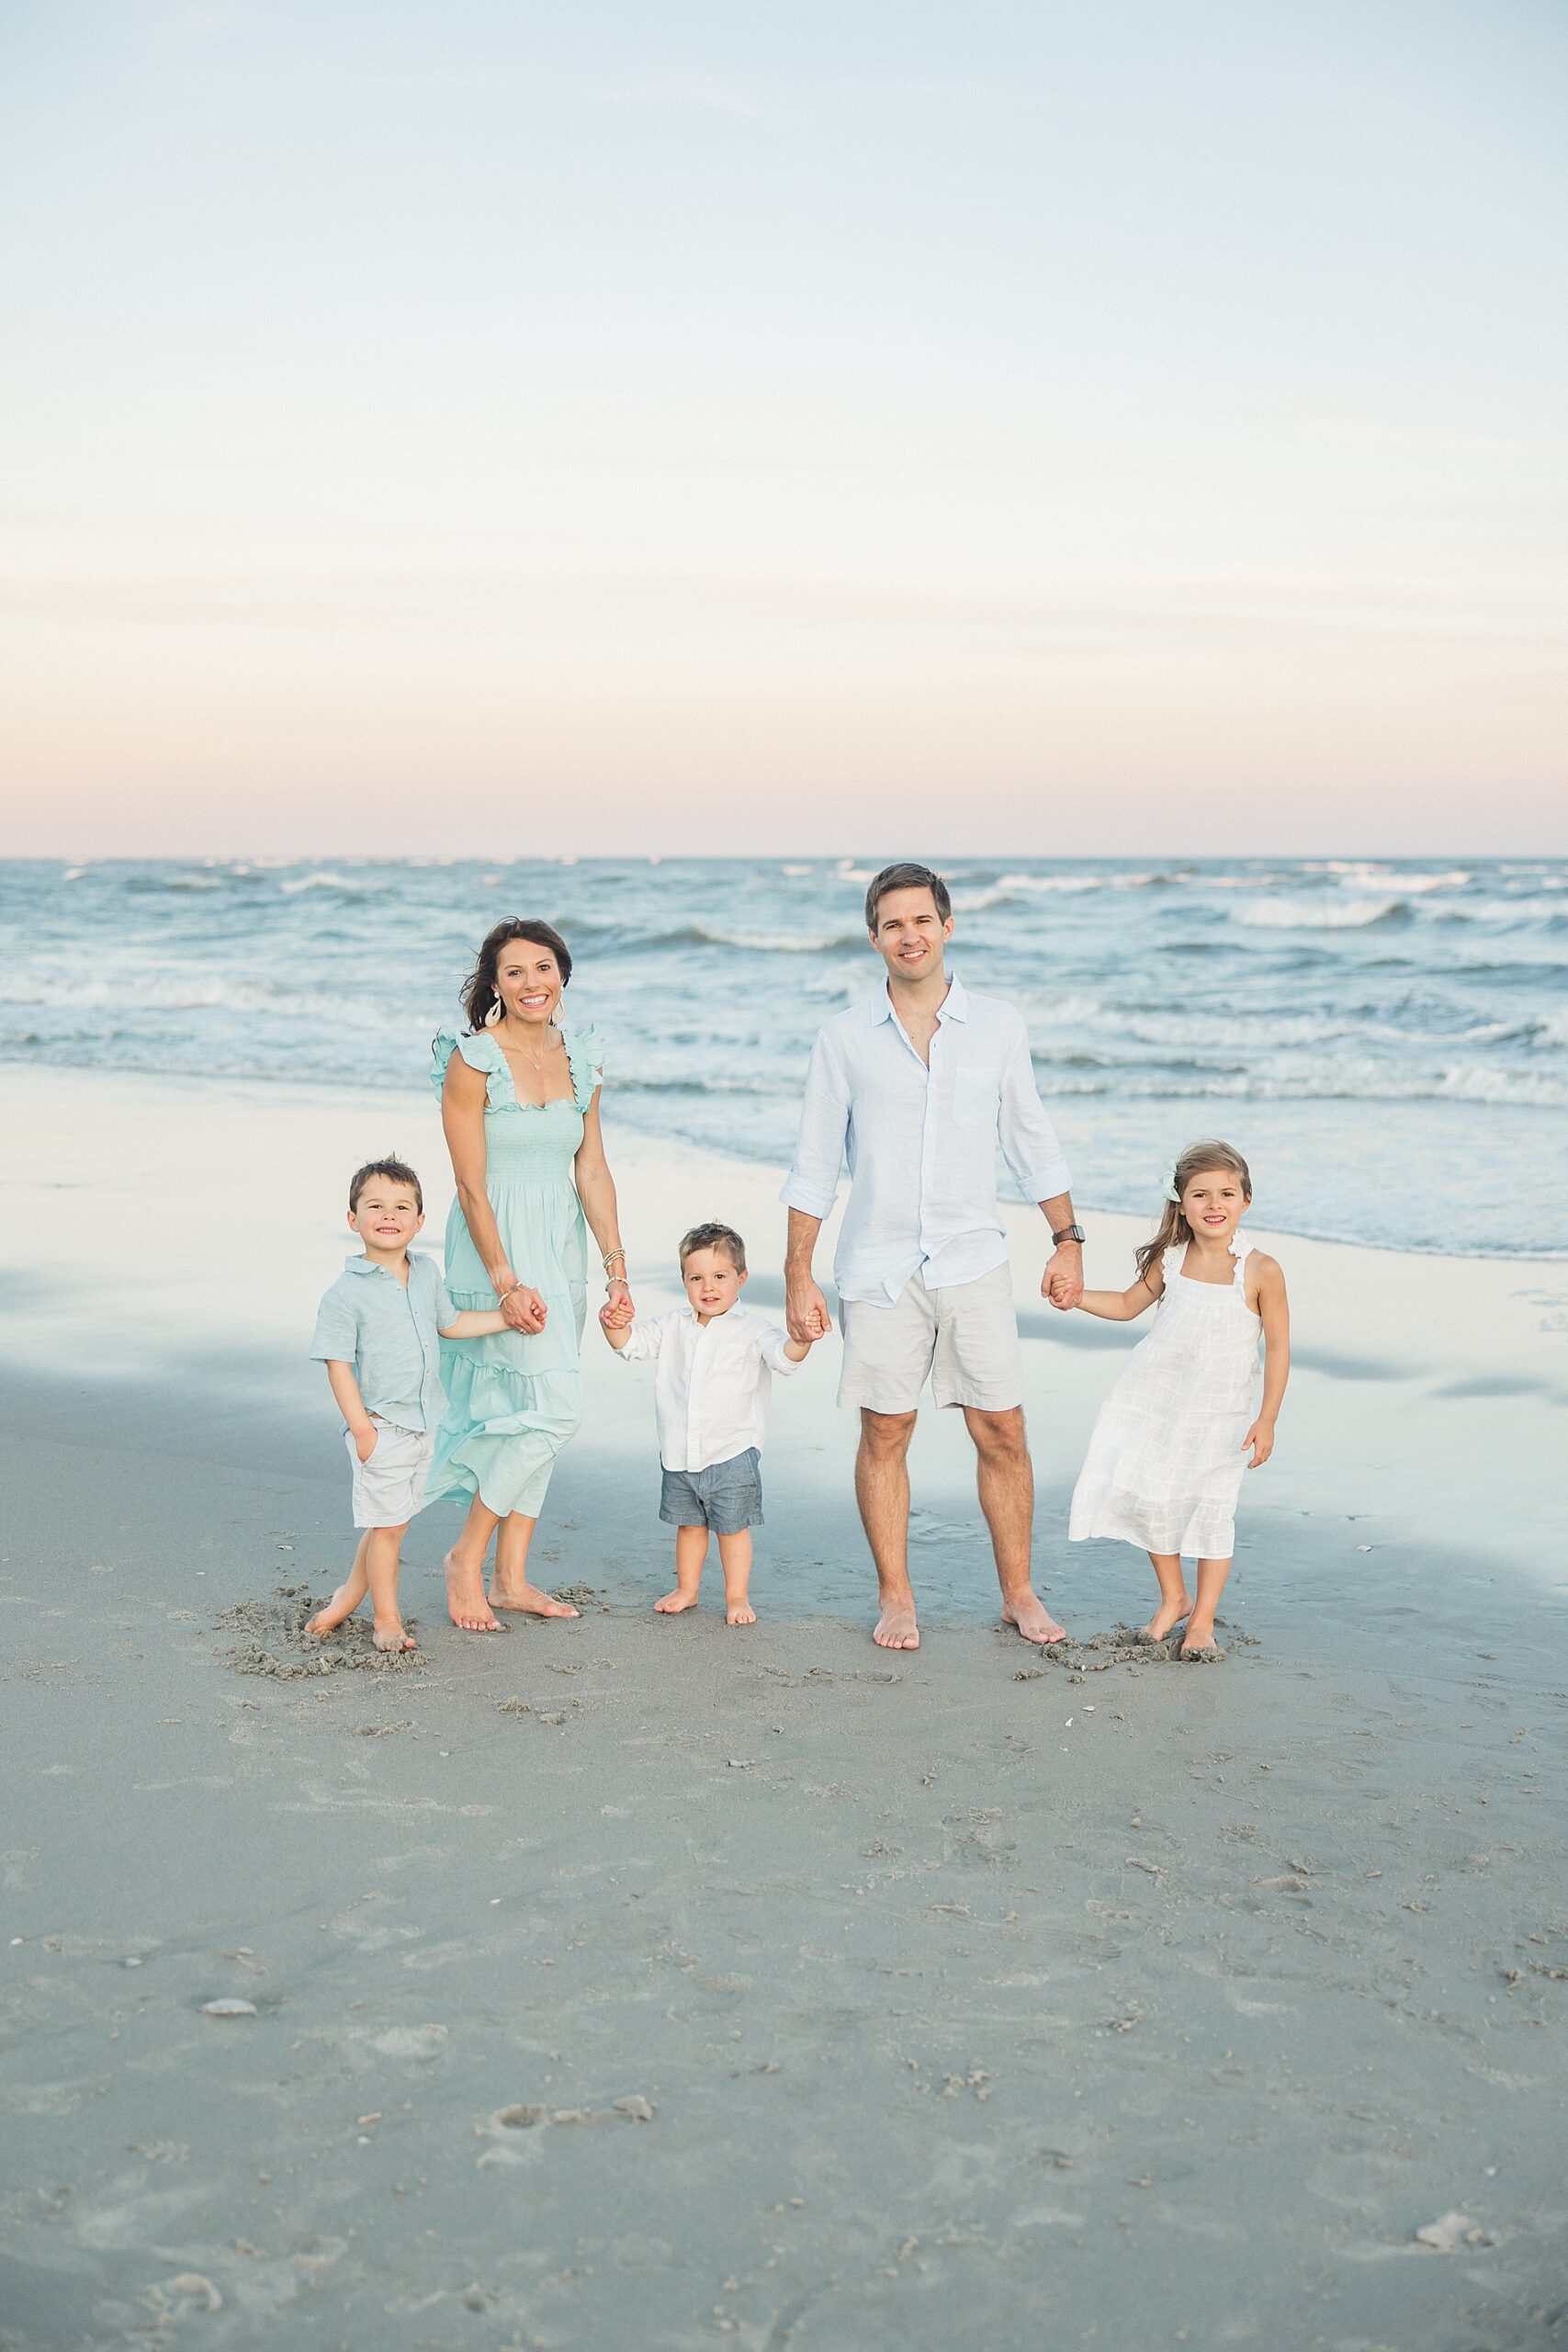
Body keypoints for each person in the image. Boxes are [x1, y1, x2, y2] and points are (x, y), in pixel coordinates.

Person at [782, 861, 1084, 1652]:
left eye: (921, 920)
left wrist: (1067, 1240)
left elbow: (1029, 1136)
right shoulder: (843, 1038)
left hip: (971, 1258)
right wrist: (796, 1274)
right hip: (876, 1266)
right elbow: (815, 1163)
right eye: (892, 924)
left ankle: (1018, 1594)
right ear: (873, 937)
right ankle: (896, 1599)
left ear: (947, 926)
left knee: (1003, 1431)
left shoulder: (998, 1026)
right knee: (886, 1431)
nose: (908, 936)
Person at [428, 919, 634, 1634]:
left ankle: (511, 1578)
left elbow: (592, 1166)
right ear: (493, 983)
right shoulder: (471, 1061)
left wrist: (616, 1269)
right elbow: (469, 1183)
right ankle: (466, 1559)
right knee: (546, 1412)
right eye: (513, 972)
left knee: (533, 1412)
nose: (531, 984)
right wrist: (505, 1281)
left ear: (562, 975)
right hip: (496, 1250)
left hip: (562, 1248)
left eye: (542, 968)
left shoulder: (583, 1058)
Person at [1067, 1139, 1290, 1660]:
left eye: (1227, 1194)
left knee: (1213, 1510)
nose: (1215, 1205)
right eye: (1201, 1195)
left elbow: (1277, 1347)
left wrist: (1268, 1419)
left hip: (1223, 1415)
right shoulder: (1170, 1260)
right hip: (1158, 1399)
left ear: (1247, 1201)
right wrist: (1076, 1297)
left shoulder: (1261, 1270)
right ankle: (1175, 1597)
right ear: (1182, 1204)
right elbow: (1126, 1305)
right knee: (1154, 1497)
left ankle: (1203, 1620)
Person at [307, 1158, 515, 1653]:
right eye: (374, 1205)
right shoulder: (344, 1295)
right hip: (382, 1426)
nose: (388, 1215)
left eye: (402, 1207)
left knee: (391, 1520)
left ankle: (348, 1594)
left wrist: (506, 1320)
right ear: (352, 1218)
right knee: (390, 1529)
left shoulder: (424, 1273)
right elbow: (337, 1364)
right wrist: (361, 1430)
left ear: (420, 1222)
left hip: (426, 1422)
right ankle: (386, 1619)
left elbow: (451, 1324)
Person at [601, 1222, 822, 1624]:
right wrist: (612, 1322)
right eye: (696, 1278)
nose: (708, 1287)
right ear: (684, 1281)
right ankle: (687, 1589)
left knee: (732, 1529)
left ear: (741, 1278)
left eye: (720, 1277)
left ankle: (737, 1596)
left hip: (732, 1451)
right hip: (680, 1451)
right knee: (688, 1526)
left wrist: (803, 1338)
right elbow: (630, 1345)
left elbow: (784, 1358)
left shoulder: (753, 1330)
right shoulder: (673, 1325)